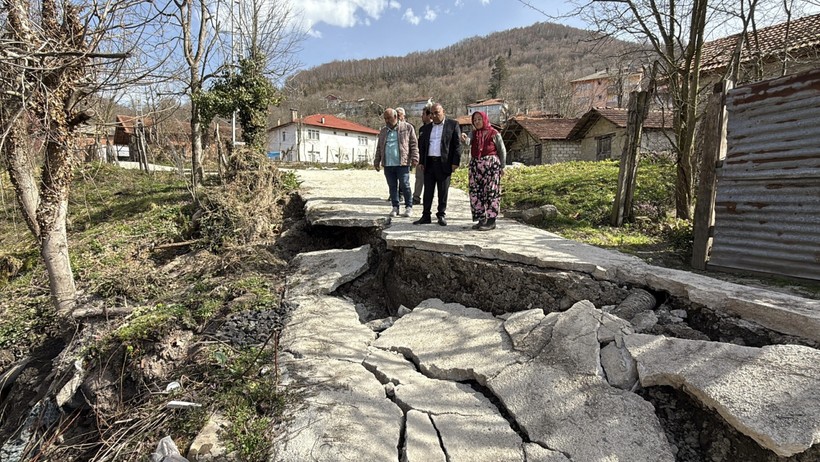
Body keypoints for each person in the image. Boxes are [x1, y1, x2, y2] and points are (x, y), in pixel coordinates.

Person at [414, 103, 461, 226]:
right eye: (432, 113)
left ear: (443, 111)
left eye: (437, 113)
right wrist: (421, 162)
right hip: (429, 163)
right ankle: (425, 215)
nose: (434, 115)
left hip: (444, 163)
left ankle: (441, 215)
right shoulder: (425, 128)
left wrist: (455, 162)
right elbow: (422, 147)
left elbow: (457, 146)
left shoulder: (453, 125)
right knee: (428, 191)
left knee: (443, 191)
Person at [461, 111, 506, 231]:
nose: (477, 122)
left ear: (484, 119)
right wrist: (464, 139)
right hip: (476, 166)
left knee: (491, 192)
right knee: (476, 192)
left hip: (491, 166)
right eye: (474, 120)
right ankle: (482, 220)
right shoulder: (473, 133)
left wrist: (503, 167)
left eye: (479, 119)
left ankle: (491, 221)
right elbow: (467, 144)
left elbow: (502, 150)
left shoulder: (494, 133)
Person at [374, 108, 418, 218]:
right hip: (388, 164)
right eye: (385, 118)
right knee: (392, 186)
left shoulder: (407, 127)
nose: (387, 120)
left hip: (402, 163)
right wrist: (377, 160)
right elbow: (379, 147)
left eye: (388, 118)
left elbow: (413, 144)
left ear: (395, 117)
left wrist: (415, 157)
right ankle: (395, 206)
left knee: (405, 184)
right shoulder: (383, 131)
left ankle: (409, 206)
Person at [412, 105, 432, 205]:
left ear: (429, 115)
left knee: (429, 181)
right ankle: (416, 197)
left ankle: (427, 199)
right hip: (421, 157)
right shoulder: (421, 129)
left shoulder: (434, 128)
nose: (422, 116)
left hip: (431, 159)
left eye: (423, 114)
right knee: (419, 178)